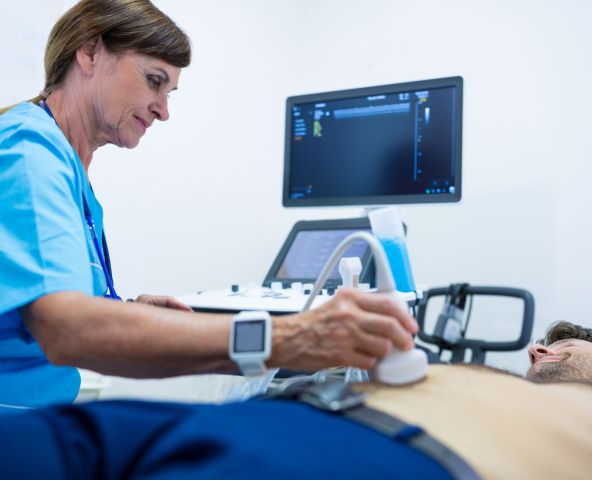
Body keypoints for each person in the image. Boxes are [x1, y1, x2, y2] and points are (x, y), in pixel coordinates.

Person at [0, 0, 417, 409]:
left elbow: (44, 313)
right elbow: (68, 331)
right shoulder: (30, 151)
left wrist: (125, 312)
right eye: (154, 80)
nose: (163, 110)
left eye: (170, 91)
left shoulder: (66, 166)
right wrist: (291, 338)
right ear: (90, 53)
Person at [0, 320, 592, 479]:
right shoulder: (499, 388)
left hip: (395, 458)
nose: (538, 351)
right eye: (540, 344)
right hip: (281, 415)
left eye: (564, 348)